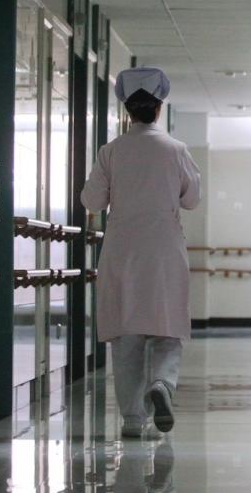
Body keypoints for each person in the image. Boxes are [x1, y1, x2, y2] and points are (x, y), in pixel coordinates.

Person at [80, 67, 201, 439]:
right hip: (164, 248)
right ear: (159, 108)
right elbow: (193, 199)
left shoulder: (111, 151)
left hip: (123, 249)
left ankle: (133, 420)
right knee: (167, 331)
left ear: (127, 110)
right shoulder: (177, 150)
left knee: (127, 335)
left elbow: (91, 200)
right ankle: (162, 385)